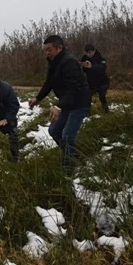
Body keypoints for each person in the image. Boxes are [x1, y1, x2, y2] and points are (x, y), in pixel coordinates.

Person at [29, 35, 92, 174]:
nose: (47, 53)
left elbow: (74, 88)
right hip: (67, 103)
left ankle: (68, 171)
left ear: (59, 48)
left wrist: (58, 106)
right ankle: (72, 155)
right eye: (45, 50)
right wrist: (37, 98)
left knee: (68, 135)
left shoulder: (69, 62)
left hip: (80, 103)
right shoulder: (53, 62)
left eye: (50, 49)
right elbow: (49, 83)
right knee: (54, 131)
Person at [81, 44, 110, 113]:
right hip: (91, 83)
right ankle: (86, 112)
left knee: (102, 96)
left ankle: (106, 111)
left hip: (102, 82)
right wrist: (84, 67)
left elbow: (103, 68)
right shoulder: (85, 58)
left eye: (90, 52)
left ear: (94, 51)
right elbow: (83, 70)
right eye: (87, 53)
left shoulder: (100, 57)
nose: (88, 54)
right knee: (87, 97)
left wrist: (92, 67)